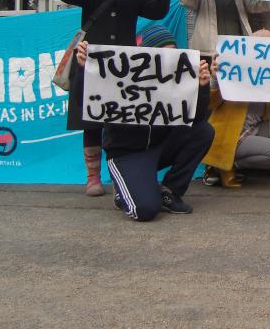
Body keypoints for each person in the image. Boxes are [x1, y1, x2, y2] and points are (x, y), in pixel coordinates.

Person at [56, 0, 172, 196]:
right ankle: (93, 177)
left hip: (123, 63)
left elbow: (156, 10)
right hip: (89, 58)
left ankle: (120, 174)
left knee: (122, 119)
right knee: (90, 119)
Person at [75, 25, 215, 221]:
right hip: (127, 152)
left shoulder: (177, 79)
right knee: (145, 210)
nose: (168, 61)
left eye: (172, 55)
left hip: (159, 146)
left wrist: (202, 87)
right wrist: (84, 70)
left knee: (204, 131)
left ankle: (170, 190)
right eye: (162, 55)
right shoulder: (119, 78)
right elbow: (87, 104)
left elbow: (196, 119)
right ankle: (124, 191)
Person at [179, 0, 270, 185]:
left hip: (239, 53)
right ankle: (210, 165)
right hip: (207, 50)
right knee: (207, 107)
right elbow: (187, 0)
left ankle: (228, 158)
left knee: (235, 106)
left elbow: (260, 6)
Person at [202, 29, 270, 187]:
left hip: (253, 130)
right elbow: (210, 103)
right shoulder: (233, 70)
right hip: (232, 137)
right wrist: (216, 79)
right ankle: (224, 166)